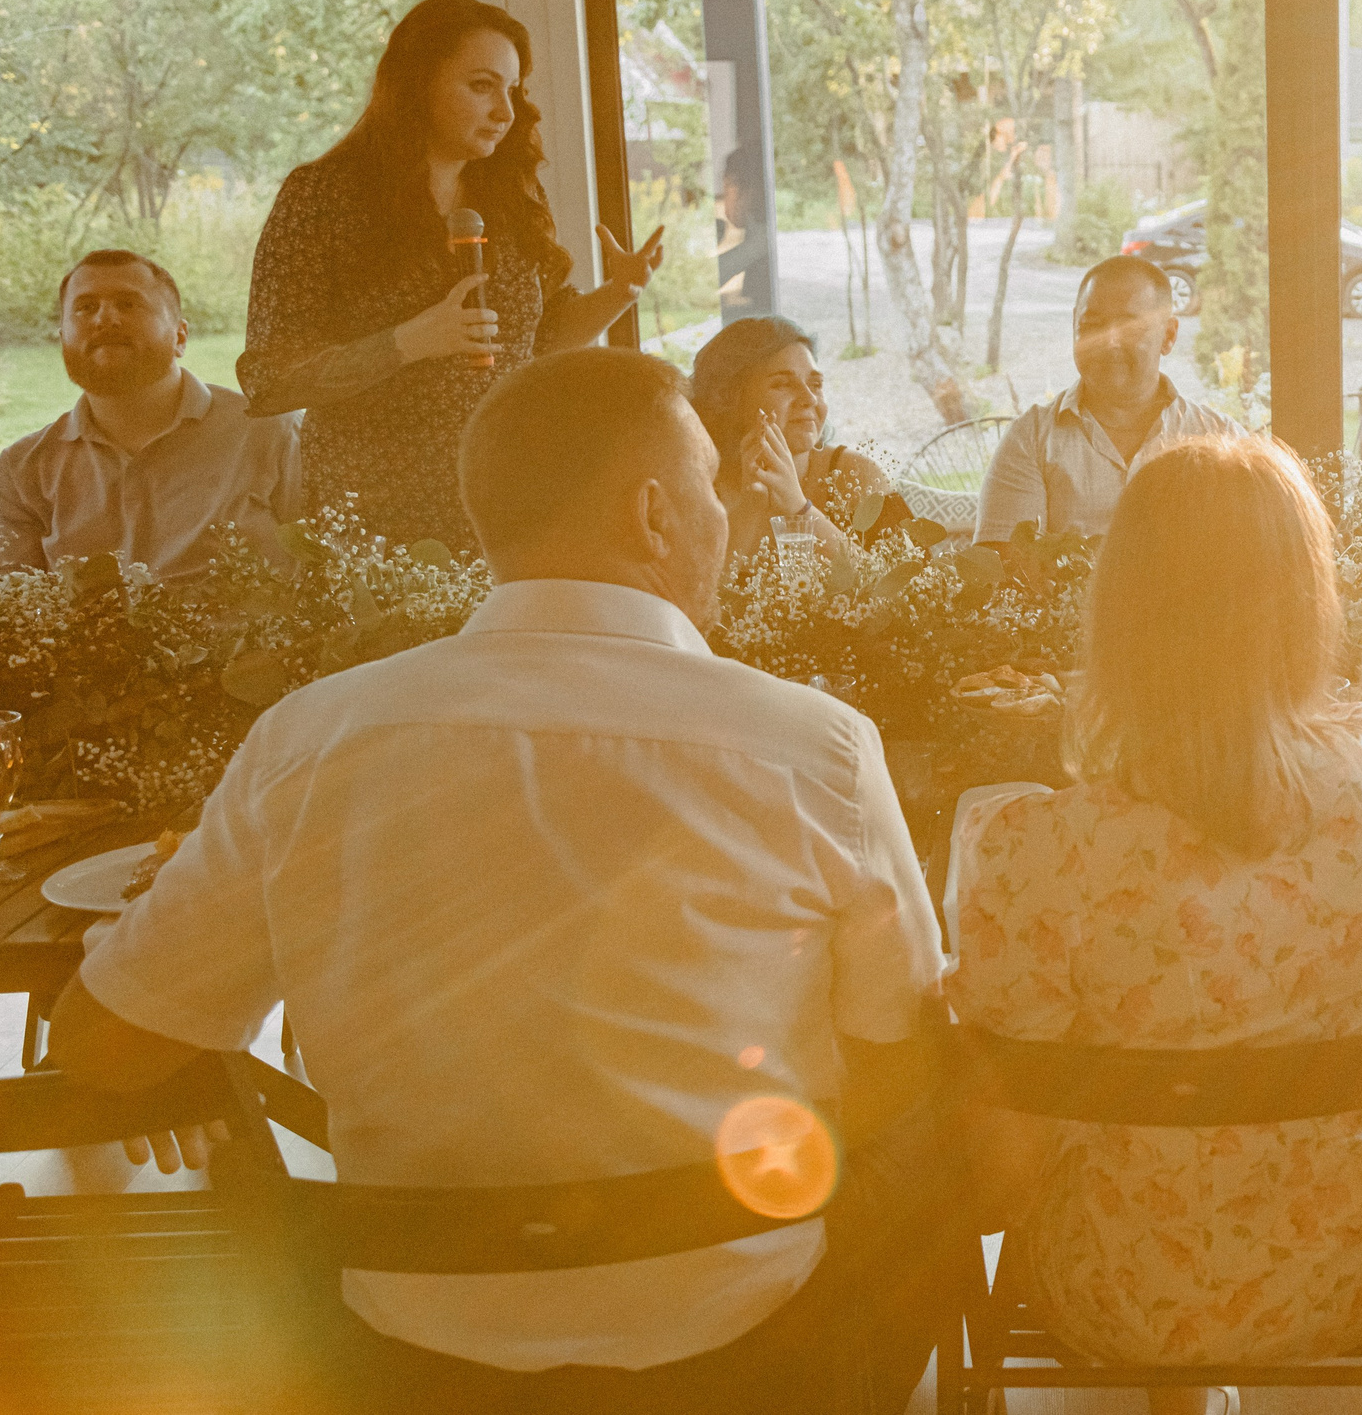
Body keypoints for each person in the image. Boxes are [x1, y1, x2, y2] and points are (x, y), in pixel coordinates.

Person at [46, 348, 952, 1412]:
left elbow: (104, 1048)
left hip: (412, 1346)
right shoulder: (813, 750)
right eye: (710, 484)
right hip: (738, 1341)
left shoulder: (312, 740)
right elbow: (899, 1060)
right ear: (654, 515)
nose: (724, 510)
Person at [947, 434, 1362, 1415]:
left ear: (1120, 613)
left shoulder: (1033, 849)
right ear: (1303, 603)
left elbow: (1008, 1161)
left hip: (1126, 1296)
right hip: (1345, 1269)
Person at [239, 0, 666, 553]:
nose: (505, 112)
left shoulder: (509, 194)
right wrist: (408, 342)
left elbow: (533, 342)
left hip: (507, 498)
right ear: (419, 83)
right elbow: (270, 377)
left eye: (512, 91)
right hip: (378, 517)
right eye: (482, 86)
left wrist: (619, 292)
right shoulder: (322, 196)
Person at [0, 251, 299, 578]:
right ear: (63, 339)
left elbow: (338, 585)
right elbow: (15, 609)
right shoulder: (21, 473)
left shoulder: (275, 435)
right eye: (86, 308)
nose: (104, 319)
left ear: (180, 337)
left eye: (129, 304)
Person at [974, 255, 1237, 544]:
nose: (1108, 341)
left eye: (1129, 327)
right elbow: (1000, 575)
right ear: (1074, 326)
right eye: (1092, 325)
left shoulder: (1221, 441)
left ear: (1169, 335)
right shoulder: (1032, 440)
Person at [686, 314, 891, 567]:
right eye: (783, 384)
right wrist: (751, 505)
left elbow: (918, 592)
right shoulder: (699, 487)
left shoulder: (855, 475)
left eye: (815, 384)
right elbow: (696, 600)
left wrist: (799, 508)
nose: (809, 398)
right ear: (730, 399)